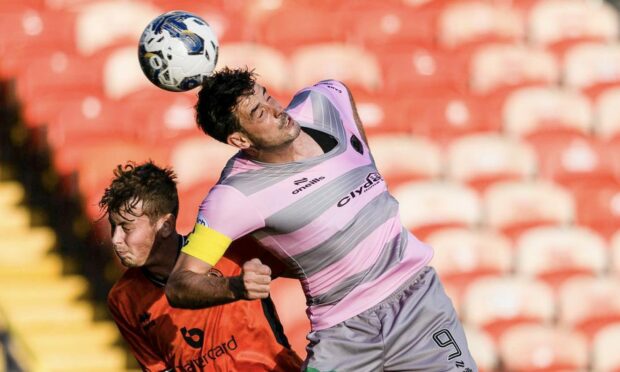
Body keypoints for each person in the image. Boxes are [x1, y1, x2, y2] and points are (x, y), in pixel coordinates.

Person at [166, 67, 477, 371]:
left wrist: (363, 162)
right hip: (343, 333)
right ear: (240, 140)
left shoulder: (324, 102)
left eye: (268, 97)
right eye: (259, 113)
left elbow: (339, 89)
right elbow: (180, 285)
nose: (276, 110)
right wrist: (234, 288)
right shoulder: (234, 196)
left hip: (418, 303)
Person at [99, 161, 303, 371]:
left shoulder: (233, 249)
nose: (115, 239)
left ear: (166, 226)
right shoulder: (123, 299)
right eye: (113, 227)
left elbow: (315, 266)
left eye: (126, 228)